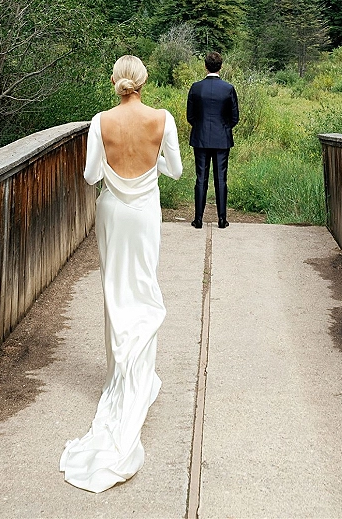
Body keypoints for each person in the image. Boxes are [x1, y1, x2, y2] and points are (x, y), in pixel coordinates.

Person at [60, 55, 182, 493]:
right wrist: (152, 169)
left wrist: (116, 170)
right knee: (144, 288)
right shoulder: (162, 118)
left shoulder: (100, 121)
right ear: (143, 82)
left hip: (113, 210)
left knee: (114, 288)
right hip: (146, 211)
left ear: (115, 81)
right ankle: (137, 374)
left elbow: (92, 176)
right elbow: (177, 170)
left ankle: (120, 372)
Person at [187, 51, 239, 229]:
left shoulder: (196, 87)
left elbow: (190, 116)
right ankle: (222, 220)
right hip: (222, 139)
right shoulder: (228, 88)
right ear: (221, 66)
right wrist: (224, 128)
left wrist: (201, 127)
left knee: (201, 178)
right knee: (221, 179)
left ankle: (198, 219)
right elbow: (234, 117)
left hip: (200, 138)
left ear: (205, 66)